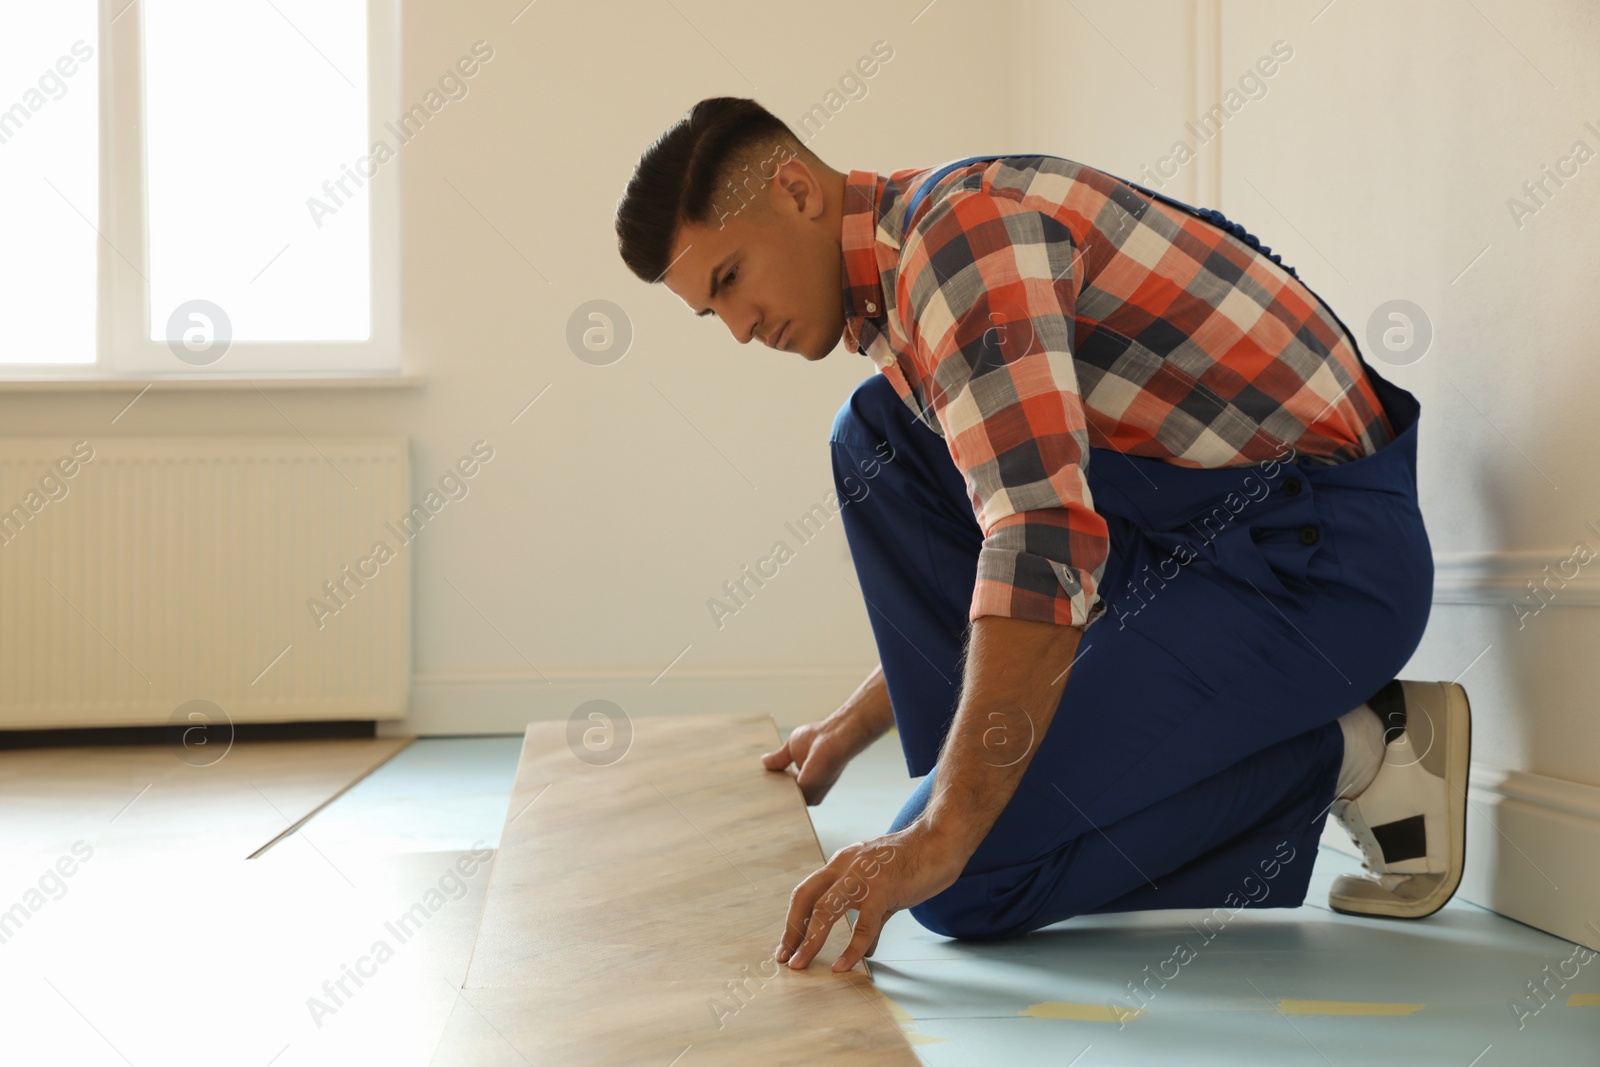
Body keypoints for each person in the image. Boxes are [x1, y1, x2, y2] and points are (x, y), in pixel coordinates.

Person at [612, 96, 1472, 974]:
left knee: (957, 882)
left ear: (797, 192)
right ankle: (990, 781)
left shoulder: (957, 250)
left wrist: (941, 838)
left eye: (729, 280)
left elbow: (1040, 537)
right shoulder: (912, 267)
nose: (741, 327)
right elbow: (1018, 511)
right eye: (710, 314)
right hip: (1202, 537)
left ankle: (1360, 747)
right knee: (876, 433)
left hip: (1320, 563)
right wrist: (852, 724)